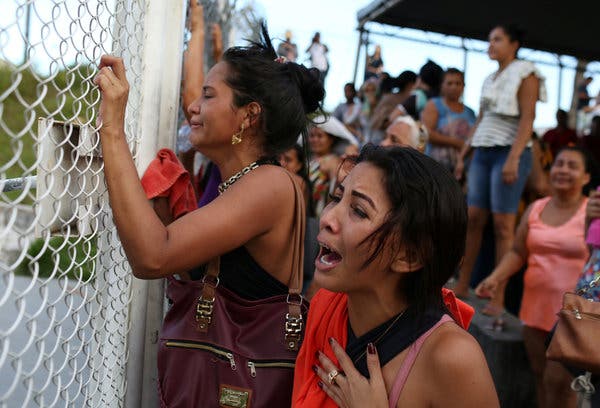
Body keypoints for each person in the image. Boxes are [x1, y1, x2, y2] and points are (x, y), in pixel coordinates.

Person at [93, 22, 325, 405]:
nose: (193, 106)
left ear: (248, 115)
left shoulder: (271, 185)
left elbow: (153, 256)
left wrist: (113, 127)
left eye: (208, 95)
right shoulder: (242, 183)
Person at [292, 145, 498, 407]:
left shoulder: (452, 357)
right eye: (336, 198)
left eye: (359, 210)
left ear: (409, 256)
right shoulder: (326, 304)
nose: (327, 218)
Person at [475, 147, 591, 408]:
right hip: (535, 310)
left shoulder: (591, 214)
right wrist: (495, 277)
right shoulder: (536, 208)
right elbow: (517, 252)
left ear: (586, 177)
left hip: (572, 317)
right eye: (559, 164)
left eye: (572, 166)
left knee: (560, 385)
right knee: (540, 377)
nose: (563, 170)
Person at [453, 23, 547, 314]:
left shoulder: (526, 72)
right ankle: (463, 283)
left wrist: (514, 158)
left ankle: (498, 296)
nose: (490, 44)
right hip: (483, 150)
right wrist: (463, 154)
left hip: (510, 151)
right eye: (489, 39)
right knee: (474, 217)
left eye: (497, 39)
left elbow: (528, 118)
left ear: (514, 44)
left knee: (504, 225)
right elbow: (480, 120)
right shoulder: (490, 78)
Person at [421, 68, 476, 173]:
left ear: (463, 86)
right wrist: (458, 143)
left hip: (462, 170)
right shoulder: (434, 105)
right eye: (449, 83)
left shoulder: (470, 112)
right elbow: (426, 133)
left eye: (458, 83)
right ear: (442, 85)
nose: (454, 87)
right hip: (435, 168)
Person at [308, 115, 359, 217]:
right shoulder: (307, 159)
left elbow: (334, 193)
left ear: (331, 140)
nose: (315, 140)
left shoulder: (333, 162)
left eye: (320, 136)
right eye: (312, 136)